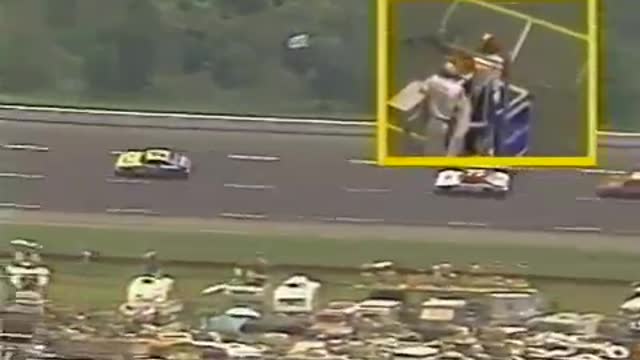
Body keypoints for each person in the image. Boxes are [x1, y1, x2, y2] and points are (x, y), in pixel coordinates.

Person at [420, 58, 474, 157]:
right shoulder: (457, 89)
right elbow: (462, 108)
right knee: (446, 154)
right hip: (446, 125)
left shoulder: (432, 80)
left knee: (429, 152)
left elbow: (423, 90)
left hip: (432, 121)